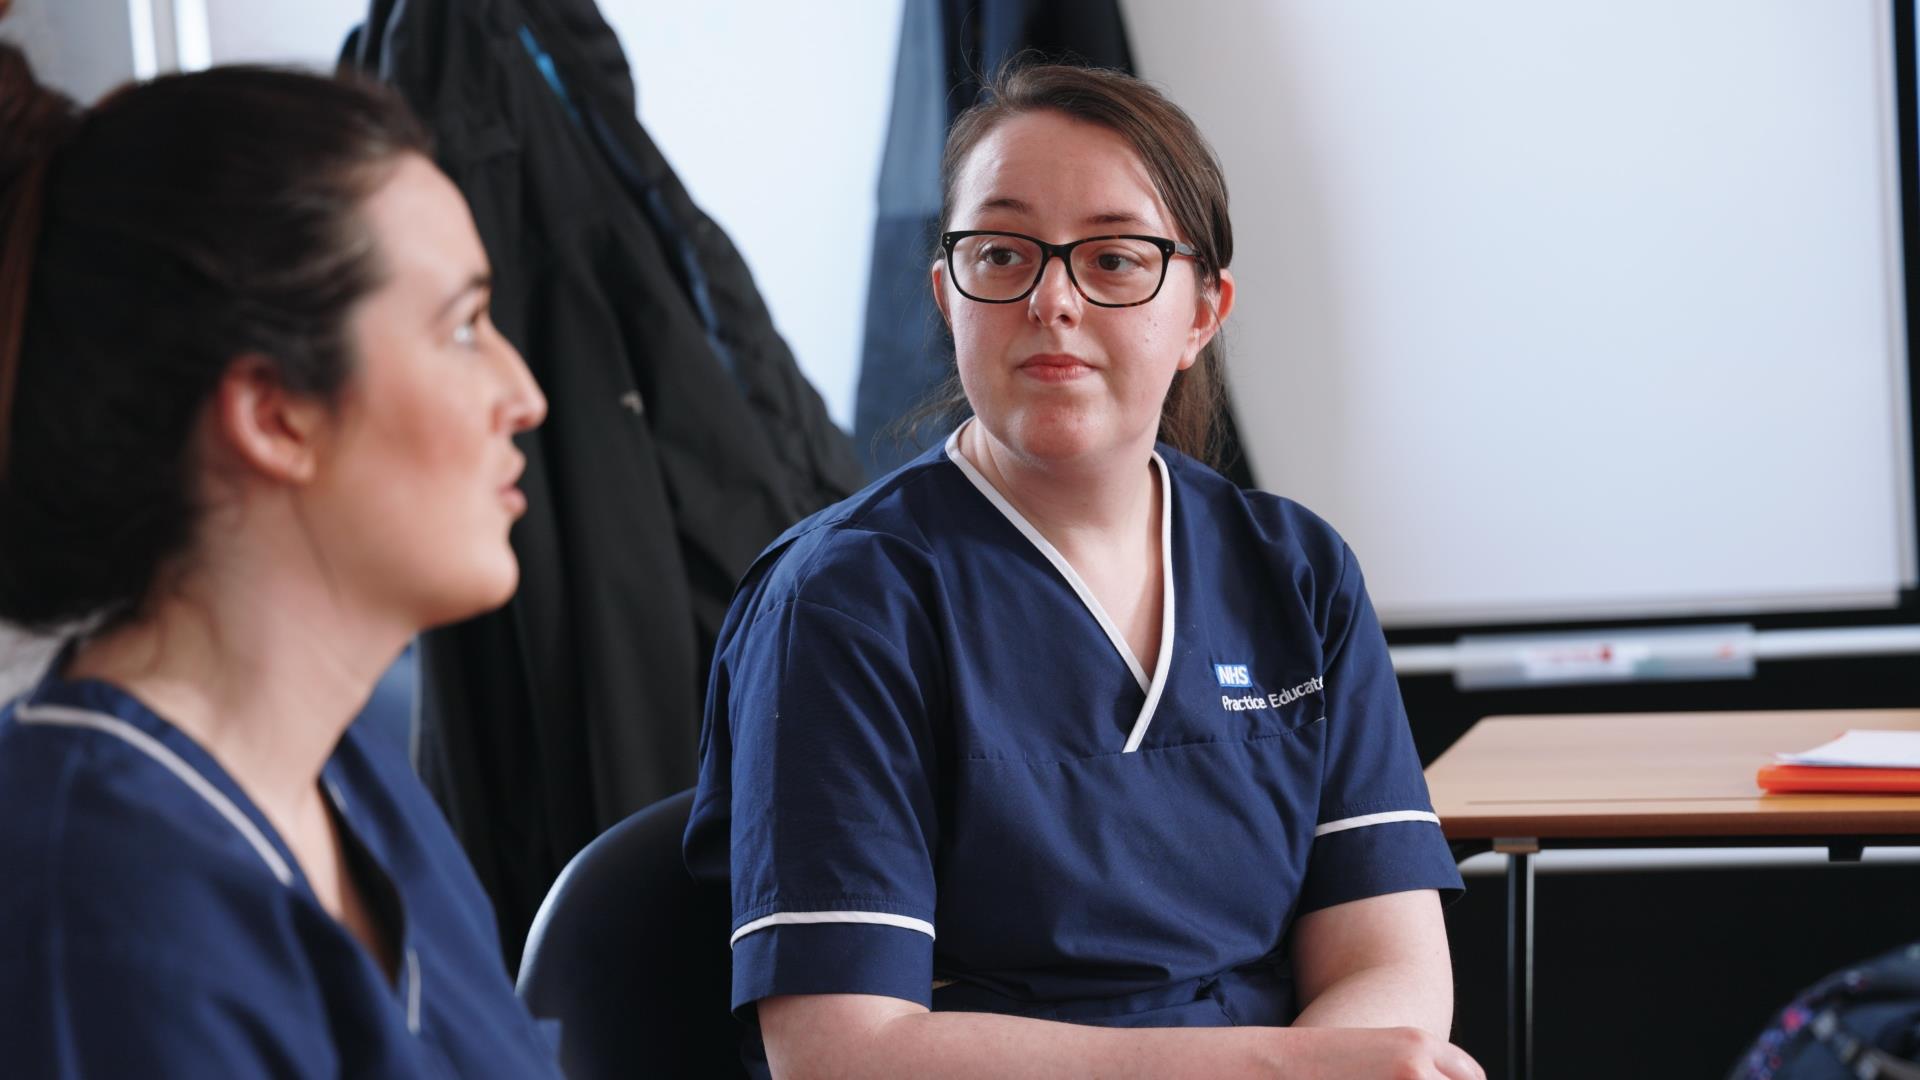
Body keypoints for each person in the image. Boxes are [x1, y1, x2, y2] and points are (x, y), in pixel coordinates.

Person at [685, 63, 1483, 1079]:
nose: (1052, 299)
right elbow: (843, 1053)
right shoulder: (843, 602)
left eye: (1113, 260)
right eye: (1003, 254)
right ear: (947, 296)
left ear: (1202, 312)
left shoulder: (1296, 572)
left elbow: (1391, 963)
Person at [0, 45, 561, 1077]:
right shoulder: (93, 911)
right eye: (464, 328)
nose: (524, 394)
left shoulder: (354, 784)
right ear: (276, 415)